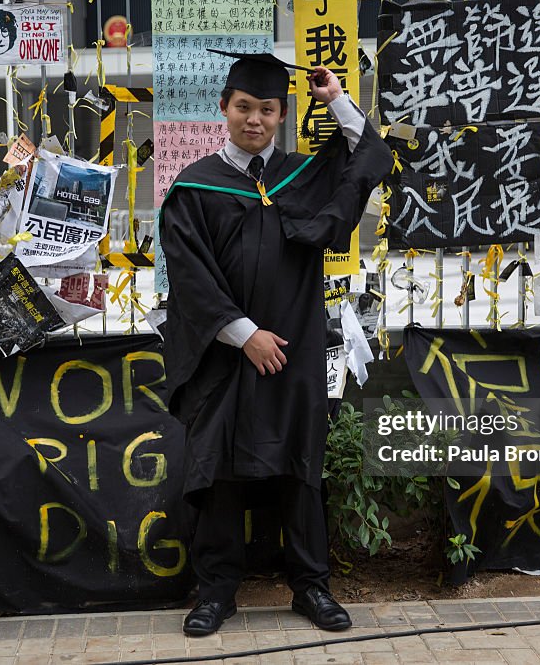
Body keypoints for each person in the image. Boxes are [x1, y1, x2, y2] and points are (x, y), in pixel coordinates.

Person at [160, 52, 393, 637]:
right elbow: (189, 276)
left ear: (282, 114)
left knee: (299, 466)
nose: (255, 120)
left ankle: (312, 587)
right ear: (224, 109)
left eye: (267, 110)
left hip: (293, 351)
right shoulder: (195, 186)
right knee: (218, 472)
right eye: (244, 108)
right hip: (224, 354)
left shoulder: (304, 176)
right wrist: (245, 336)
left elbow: (372, 156)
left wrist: (337, 97)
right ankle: (215, 593)